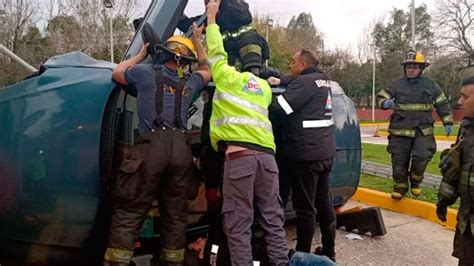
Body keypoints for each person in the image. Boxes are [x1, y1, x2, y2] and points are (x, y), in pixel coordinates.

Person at [103, 26, 211, 265]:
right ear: (185, 60)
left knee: (130, 211)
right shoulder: (191, 81)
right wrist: (197, 40)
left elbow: (118, 73)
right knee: (175, 216)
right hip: (181, 151)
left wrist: (141, 54)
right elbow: (207, 69)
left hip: (150, 147)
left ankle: (117, 262)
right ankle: (171, 262)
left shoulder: (143, 73)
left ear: (164, 53)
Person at [203, 0, 289, 265]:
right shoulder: (263, 89)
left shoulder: (227, 79)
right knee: (273, 221)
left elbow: (214, 52)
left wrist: (211, 18)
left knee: (238, 225)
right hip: (268, 162)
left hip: (240, 160)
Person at [267, 50, 336, 261]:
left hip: (305, 156)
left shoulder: (304, 84)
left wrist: (256, 95)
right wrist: (281, 80)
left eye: (293, 61)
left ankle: (303, 257)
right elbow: (299, 80)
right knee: (324, 203)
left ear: (303, 64)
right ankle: (328, 251)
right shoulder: (323, 80)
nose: (290, 64)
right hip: (325, 153)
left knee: (305, 208)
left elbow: (280, 109)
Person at [376, 49, 453, 200]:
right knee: (399, 161)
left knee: (422, 157)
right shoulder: (396, 85)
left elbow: (442, 103)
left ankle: (416, 182)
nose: (411, 70)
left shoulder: (431, 85)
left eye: (415, 67)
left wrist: (448, 121)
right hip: (400, 131)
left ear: (421, 68)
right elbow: (380, 97)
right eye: (408, 67)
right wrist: (385, 103)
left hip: (422, 130)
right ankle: (400, 187)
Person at [178, 0, 272, 77]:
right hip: (230, 65)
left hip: (250, 58)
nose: (207, 3)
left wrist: (215, 11)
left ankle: (255, 73)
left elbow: (241, 12)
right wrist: (176, 15)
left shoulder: (238, 9)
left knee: (249, 40)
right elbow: (191, 25)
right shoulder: (212, 16)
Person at [436, 76, 474, 266]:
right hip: (468, 225)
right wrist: (444, 201)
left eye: (464, 97)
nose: (459, 102)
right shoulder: (467, 129)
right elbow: (454, 171)